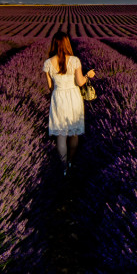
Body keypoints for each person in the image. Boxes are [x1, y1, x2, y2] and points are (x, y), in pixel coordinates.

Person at [43, 31, 95, 176]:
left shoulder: (48, 63)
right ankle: (71, 161)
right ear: (67, 44)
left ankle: (63, 167)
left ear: (54, 44)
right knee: (74, 134)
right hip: (73, 97)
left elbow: (50, 87)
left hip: (58, 97)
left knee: (61, 135)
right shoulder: (75, 60)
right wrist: (88, 75)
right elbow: (80, 82)